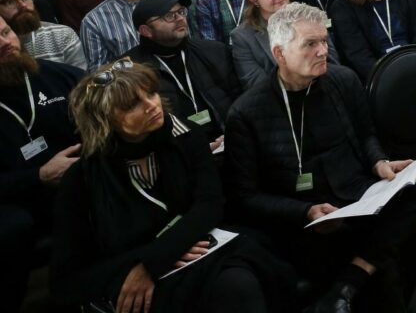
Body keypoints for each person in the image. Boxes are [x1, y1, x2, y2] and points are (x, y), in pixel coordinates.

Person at [224, 2, 416, 312]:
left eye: (324, 41)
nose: (322, 51)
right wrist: (304, 212)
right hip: (308, 213)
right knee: (388, 272)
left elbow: (367, 134)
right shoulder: (246, 113)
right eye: (310, 44)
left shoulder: (342, 79)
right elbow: (245, 197)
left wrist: (378, 162)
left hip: (359, 191)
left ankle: (353, 277)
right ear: (279, 54)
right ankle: (356, 279)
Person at [54, 59, 294, 313]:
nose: (152, 105)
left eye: (151, 93)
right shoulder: (82, 178)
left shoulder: (186, 136)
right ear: (105, 119)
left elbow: (210, 205)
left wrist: (154, 260)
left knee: (239, 283)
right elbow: (65, 281)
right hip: (133, 272)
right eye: (132, 104)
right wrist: (145, 265)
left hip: (198, 248)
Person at [0, 12, 83, 311]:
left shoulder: (61, 77)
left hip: (74, 182)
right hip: (17, 200)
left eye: (6, 32)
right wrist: (39, 175)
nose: (5, 43)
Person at [124, 0, 240, 146]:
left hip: (228, 142)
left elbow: (240, 100)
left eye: (181, 12)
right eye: (168, 16)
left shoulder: (214, 51)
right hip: (177, 152)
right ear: (146, 31)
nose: (179, 18)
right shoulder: (131, 71)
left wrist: (235, 133)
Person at [0, 0, 86, 70]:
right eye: (9, 2)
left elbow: (81, 80)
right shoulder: (4, 47)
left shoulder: (61, 35)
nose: (23, 5)